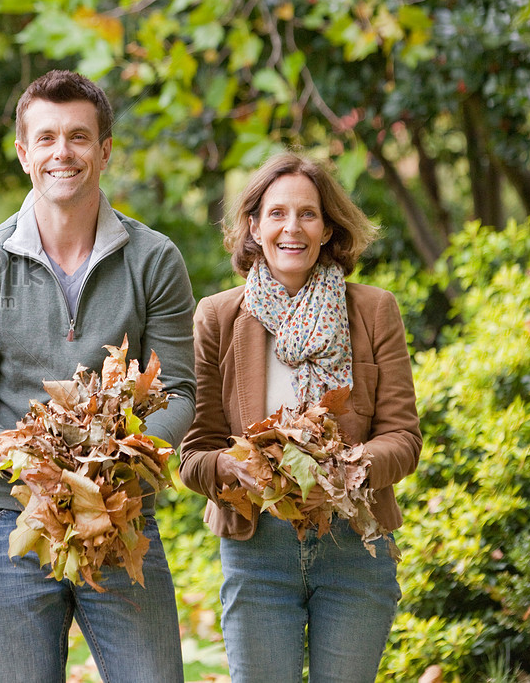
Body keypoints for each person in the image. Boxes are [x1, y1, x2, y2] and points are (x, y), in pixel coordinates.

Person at [0, 69, 196, 682]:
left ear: (104, 150)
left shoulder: (154, 258)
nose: (64, 153)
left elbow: (180, 391)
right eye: (47, 138)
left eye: (79, 137)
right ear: (24, 152)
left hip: (121, 509)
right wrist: (19, 462)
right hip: (12, 517)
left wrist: (118, 462)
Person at [179, 152, 423, 682]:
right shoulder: (218, 318)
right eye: (277, 213)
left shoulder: (373, 309)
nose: (293, 227)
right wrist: (235, 468)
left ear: (329, 227)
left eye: (308, 214)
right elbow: (193, 454)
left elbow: (403, 439)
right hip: (257, 548)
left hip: (354, 543)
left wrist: (342, 476)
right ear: (253, 226)